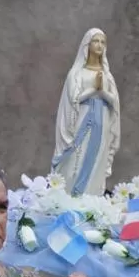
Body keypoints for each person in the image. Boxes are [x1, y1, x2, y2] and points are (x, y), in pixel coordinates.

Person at [51, 27, 121, 196]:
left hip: (102, 122)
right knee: (76, 158)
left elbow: (114, 102)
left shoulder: (107, 76)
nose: (99, 45)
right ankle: (70, 195)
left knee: (97, 158)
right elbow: (73, 99)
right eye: (96, 41)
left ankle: (91, 196)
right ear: (87, 45)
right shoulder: (76, 73)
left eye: (103, 42)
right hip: (81, 121)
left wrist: (102, 92)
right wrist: (93, 90)